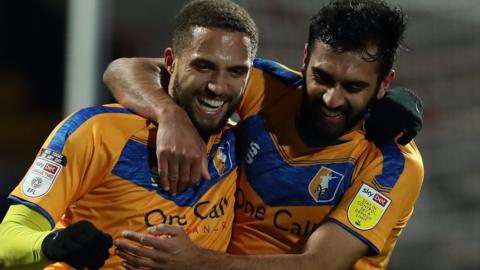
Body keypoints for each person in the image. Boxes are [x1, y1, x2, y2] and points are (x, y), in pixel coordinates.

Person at [106, 0, 424, 269]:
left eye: (353, 87)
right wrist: (170, 115)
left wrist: (199, 262)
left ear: (384, 83)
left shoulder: (392, 163)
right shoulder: (270, 89)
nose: (332, 99)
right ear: (305, 59)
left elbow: (319, 263)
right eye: (322, 77)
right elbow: (124, 70)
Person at [0, 0, 259, 269]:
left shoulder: (242, 143)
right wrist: (52, 244)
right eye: (203, 67)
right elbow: (6, 241)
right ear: (170, 62)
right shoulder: (96, 131)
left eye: (236, 72)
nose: (218, 87)